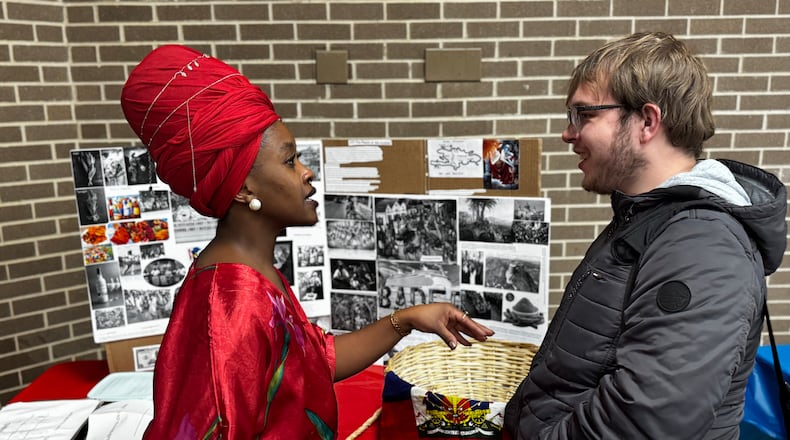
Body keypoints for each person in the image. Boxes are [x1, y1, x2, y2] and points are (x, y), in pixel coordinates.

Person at [120, 45, 494, 440]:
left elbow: (314, 359)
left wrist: (409, 319)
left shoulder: (254, 274)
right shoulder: (230, 305)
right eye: (289, 161)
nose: (307, 172)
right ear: (245, 188)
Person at [504, 32, 787, 439]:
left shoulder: (703, 248)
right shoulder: (649, 219)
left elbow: (645, 422)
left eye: (583, 115)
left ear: (648, 121)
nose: (569, 134)